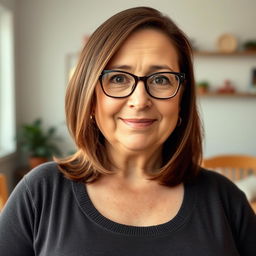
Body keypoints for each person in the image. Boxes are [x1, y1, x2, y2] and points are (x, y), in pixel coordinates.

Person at [0, 6, 255, 256]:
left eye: (161, 79)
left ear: (181, 100)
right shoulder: (41, 192)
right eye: (119, 78)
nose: (140, 100)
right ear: (90, 96)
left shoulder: (226, 199)